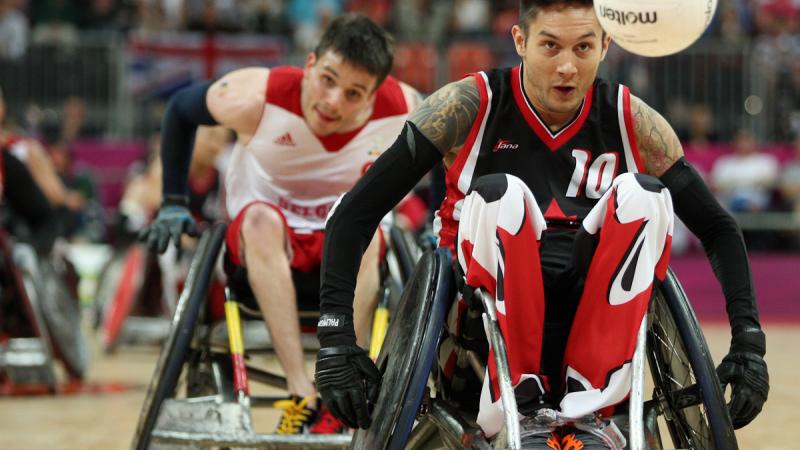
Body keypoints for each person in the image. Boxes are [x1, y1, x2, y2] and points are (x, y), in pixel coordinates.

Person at [314, 0, 770, 447]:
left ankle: (591, 410)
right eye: (550, 46)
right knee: (502, 194)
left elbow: (718, 228)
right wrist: (335, 338)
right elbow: (355, 212)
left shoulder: (632, 119)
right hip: (478, 310)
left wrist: (748, 340)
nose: (567, 66)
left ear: (606, 44)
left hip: (592, 305)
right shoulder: (469, 104)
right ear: (520, 41)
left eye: (583, 48)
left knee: (646, 196)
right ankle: (519, 404)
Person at [139, 13, 422, 435]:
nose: (333, 102)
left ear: (374, 95)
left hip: (342, 253)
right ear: (309, 64)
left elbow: (453, 148)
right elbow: (180, 111)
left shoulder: (406, 107)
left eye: (353, 93)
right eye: (327, 80)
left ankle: (342, 385)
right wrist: (173, 202)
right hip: (265, 248)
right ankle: (300, 391)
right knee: (258, 220)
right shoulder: (255, 95)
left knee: (371, 232)